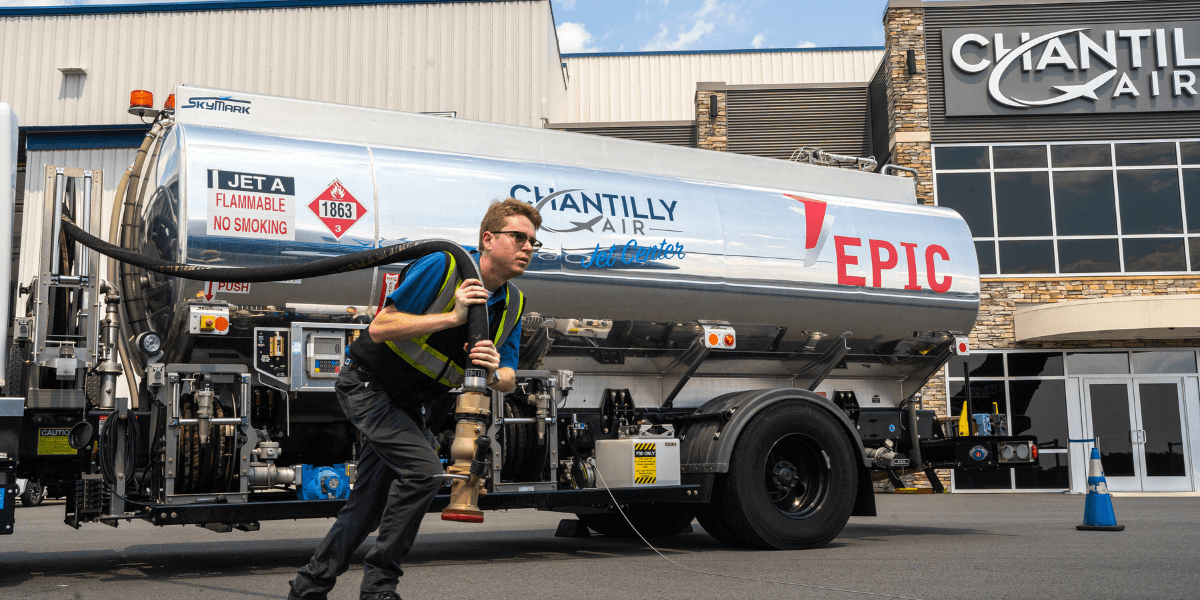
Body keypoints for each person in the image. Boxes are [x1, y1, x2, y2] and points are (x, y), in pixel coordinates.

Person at [289, 198, 542, 600]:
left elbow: (509, 377)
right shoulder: (442, 267)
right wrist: (452, 318)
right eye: (519, 237)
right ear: (488, 239)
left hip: (411, 404)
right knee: (425, 472)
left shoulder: (513, 303)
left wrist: (496, 371)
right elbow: (382, 326)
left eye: (533, 241)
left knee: (366, 507)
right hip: (369, 386)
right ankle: (379, 588)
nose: (528, 247)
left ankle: (308, 587)